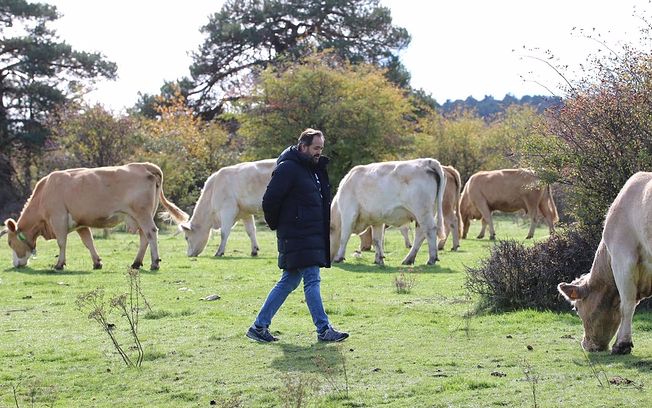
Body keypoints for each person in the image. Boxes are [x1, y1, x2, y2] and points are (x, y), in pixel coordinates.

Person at [246, 128, 349, 343]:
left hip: (308, 235)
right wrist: (281, 226)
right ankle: (323, 329)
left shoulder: (310, 169)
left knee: (289, 282)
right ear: (303, 146)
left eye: (321, 148)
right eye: (315, 148)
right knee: (312, 279)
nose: (319, 152)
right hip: (297, 235)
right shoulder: (288, 169)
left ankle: (258, 326)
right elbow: (269, 201)